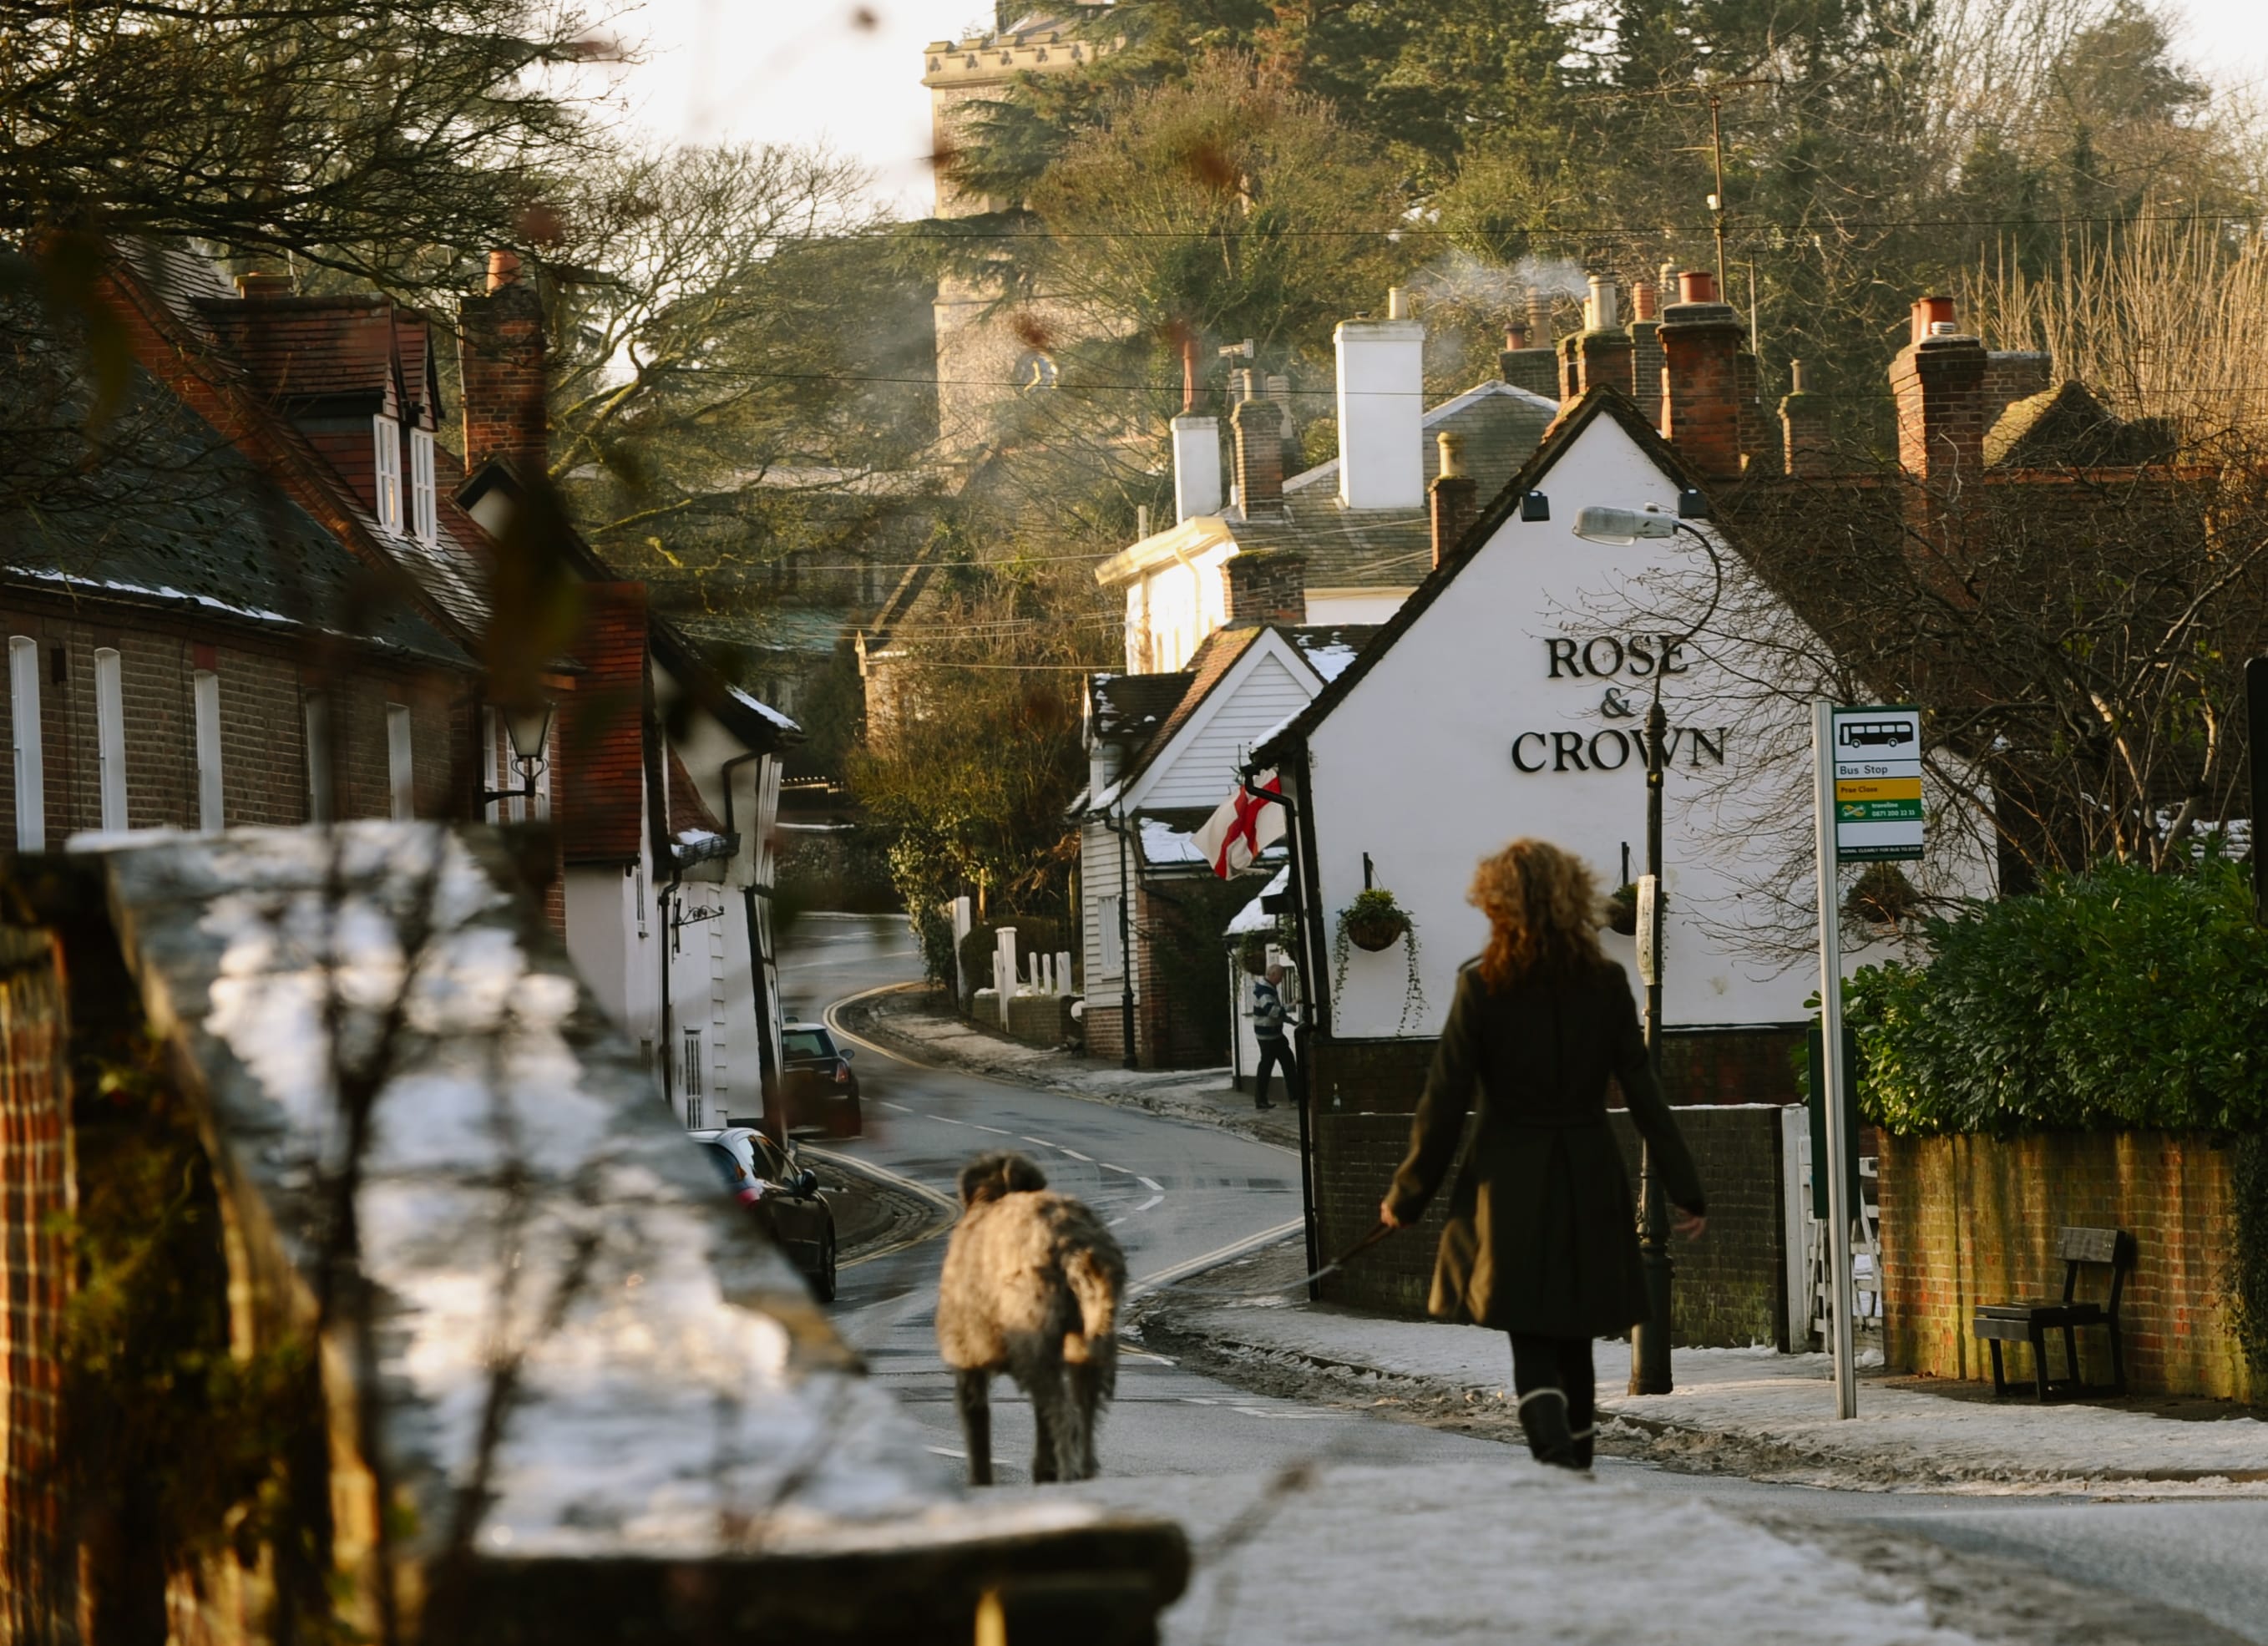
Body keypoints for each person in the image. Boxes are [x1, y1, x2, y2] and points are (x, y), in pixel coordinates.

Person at [1377, 839, 1706, 1471]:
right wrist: (1686, 1189)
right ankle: (1575, 1461)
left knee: (1529, 1325)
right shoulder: (1607, 984)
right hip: (1588, 1170)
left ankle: (1550, 1434)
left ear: (1498, 904)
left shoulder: (1481, 984)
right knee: (1574, 1330)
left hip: (1507, 1180)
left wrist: (1407, 1195)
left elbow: (1443, 1100)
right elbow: (1645, 1094)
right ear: (1573, 899)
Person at [1250, 963, 1304, 1111]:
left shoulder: (1268, 989)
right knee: (1270, 1066)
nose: (1281, 979)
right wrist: (1291, 1006)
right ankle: (1262, 1101)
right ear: (1273, 974)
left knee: (1285, 1064)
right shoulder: (1265, 991)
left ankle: (1292, 1097)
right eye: (1280, 976)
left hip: (1273, 1035)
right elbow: (1272, 1011)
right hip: (1268, 1037)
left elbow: (1276, 1013)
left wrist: (1292, 1022)